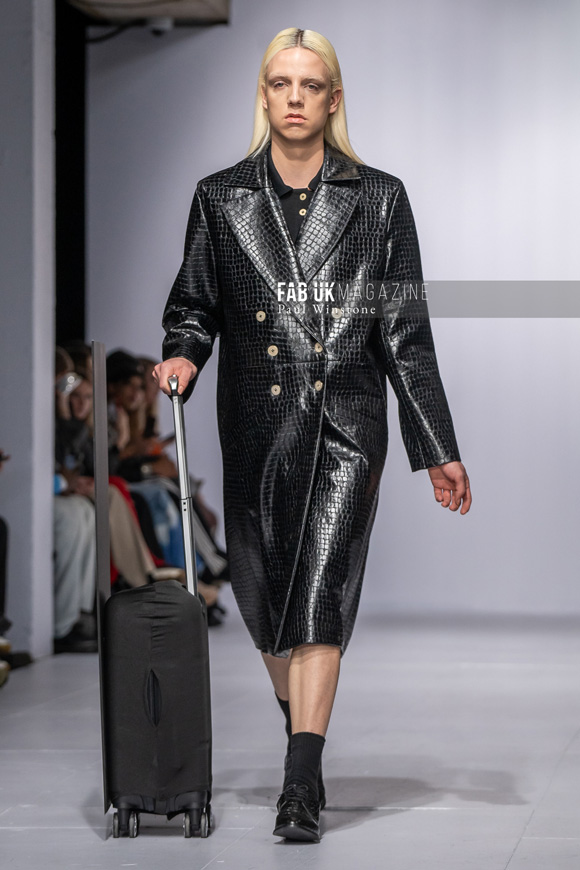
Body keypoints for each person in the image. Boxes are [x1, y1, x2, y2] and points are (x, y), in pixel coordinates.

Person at [154, 27, 472, 842]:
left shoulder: (380, 198)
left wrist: (436, 447)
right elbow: (195, 302)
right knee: (265, 603)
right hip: (256, 424)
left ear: (334, 99)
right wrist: (184, 352)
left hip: (345, 425)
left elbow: (405, 333)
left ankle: (300, 781)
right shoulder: (219, 197)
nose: (295, 98)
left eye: (311, 85)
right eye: (281, 83)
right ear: (263, 96)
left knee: (322, 590)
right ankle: (304, 729)